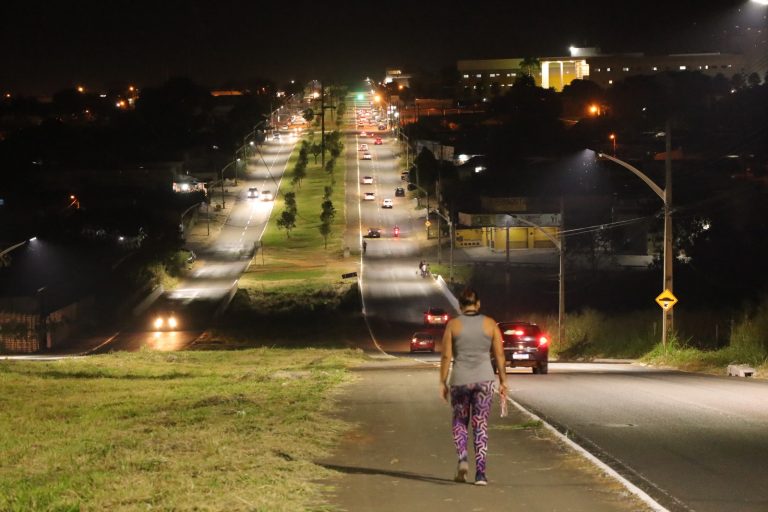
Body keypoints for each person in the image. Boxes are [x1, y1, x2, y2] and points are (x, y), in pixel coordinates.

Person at [439, 288, 507, 486]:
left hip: (460, 380)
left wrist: (442, 381)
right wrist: (503, 381)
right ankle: (481, 474)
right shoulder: (490, 324)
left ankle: (462, 459)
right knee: (480, 424)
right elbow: (500, 355)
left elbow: (446, 356)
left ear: (460, 306)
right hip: (484, 380)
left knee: (460, 421)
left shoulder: (453, 325)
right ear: (478, 304)